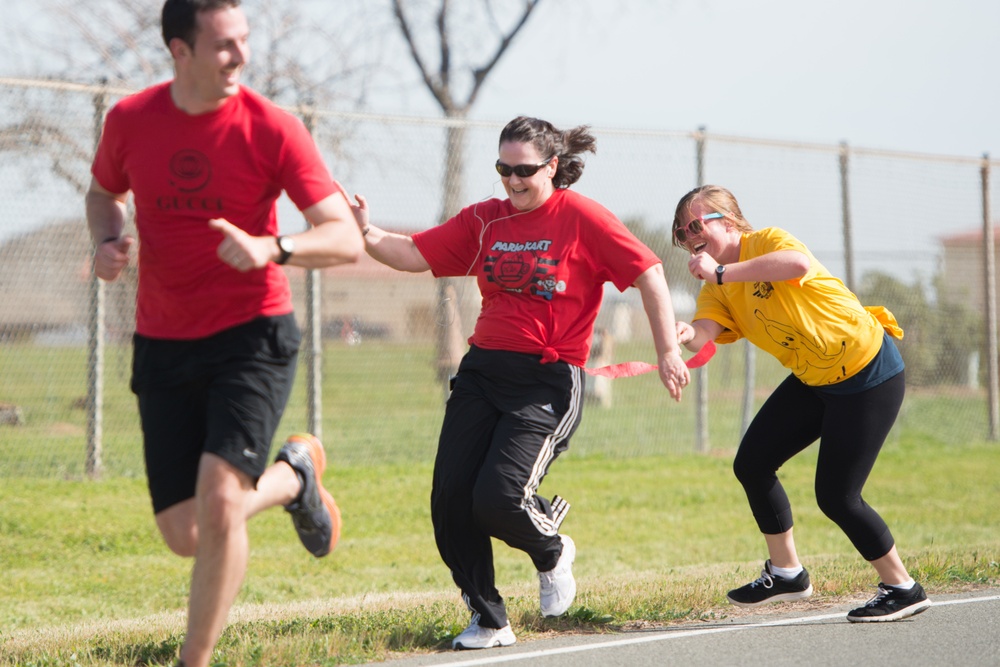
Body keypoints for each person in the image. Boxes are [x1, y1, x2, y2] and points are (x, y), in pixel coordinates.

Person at [85, 1, 363, 665]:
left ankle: (195, 658)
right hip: (163, 338)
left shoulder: (273, 128)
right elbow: (103, 194)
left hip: (253, 334)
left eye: (243, 40)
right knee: (186, 532)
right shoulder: (130, 120)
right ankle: (295, 478)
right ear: (179, 51)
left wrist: (275, 247)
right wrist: (108, 241)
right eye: (222, 45)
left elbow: (343, 236)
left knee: (218, 502)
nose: (240, 56)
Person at [352, 116, 691, 650]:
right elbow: (415, 254)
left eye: (524, 170)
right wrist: (366, 233)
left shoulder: (581, 217)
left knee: (498, 497)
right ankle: (489, 618)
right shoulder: (486, 221)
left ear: (552, 166)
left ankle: (552, 550)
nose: (512, 180)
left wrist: (667, 350)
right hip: (483, 372)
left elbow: (648, 271)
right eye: (503, 169)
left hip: (547, 380)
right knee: (450, 500)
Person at [671, 184, 931, 623]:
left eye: (696, 224)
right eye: (681, 232)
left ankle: (903, 587)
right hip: (815, 378)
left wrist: (719, 273)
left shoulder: (765, 242)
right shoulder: (718, 286)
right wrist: (680, 333)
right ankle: (787, 572)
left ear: (728, 222)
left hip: (867, 371)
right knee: (752, 462)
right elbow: (705, 331)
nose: (688, 235)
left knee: (837, 496)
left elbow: (796, 264)